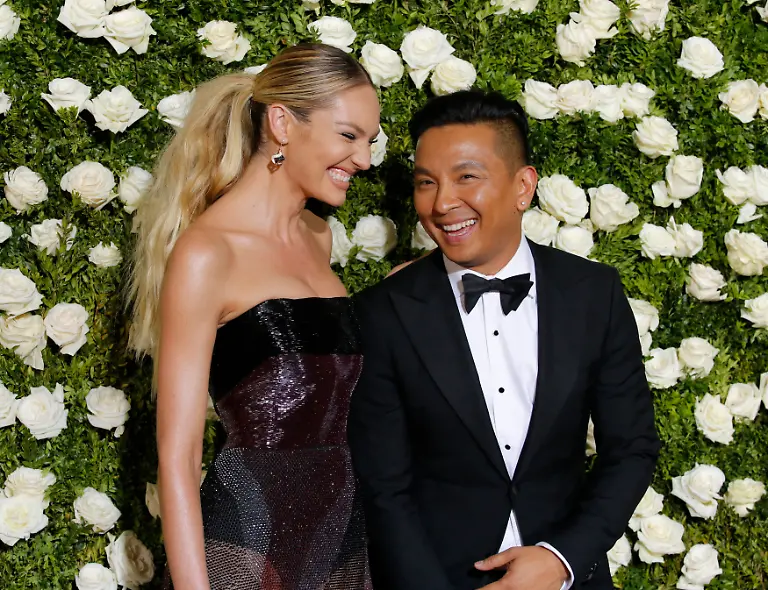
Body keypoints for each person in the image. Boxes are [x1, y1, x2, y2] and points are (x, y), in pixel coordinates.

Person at [348, 90, 660, 590]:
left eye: (466, 176)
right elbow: (384, 488)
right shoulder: (382, 313)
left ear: (523, 186)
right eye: (426, 182)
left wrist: (562, 559)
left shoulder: (592, 293)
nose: (443, 202)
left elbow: (632, 448)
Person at [128, 43, 381, 590]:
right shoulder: (206, 253)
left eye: (369, 141)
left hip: (339, 543)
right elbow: (179, 457)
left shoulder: (320, 236)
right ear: (283, 123)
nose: (363, 159)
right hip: (243, 549)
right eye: (348, 135)